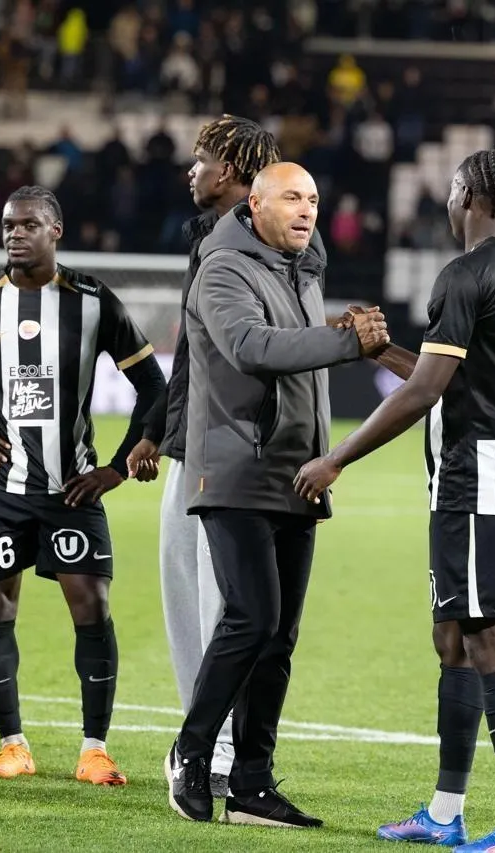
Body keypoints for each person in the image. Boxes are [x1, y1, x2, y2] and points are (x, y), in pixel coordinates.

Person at [295, 150, 495, 853]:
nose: (445, 204)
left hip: (479, 477)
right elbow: (451, 378)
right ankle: (445, 811)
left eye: (449, 191)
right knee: (454, 639)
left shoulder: (464, 274)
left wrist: (336, 458)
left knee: (489, 638)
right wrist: (380, 352)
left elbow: (425, 393)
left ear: (468, 194)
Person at [0, 186, 166, 785]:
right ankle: (12, 746)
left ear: (56, 231)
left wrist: (117, 467)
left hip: (72, 488)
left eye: (28, 225)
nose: (15, 234)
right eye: (7, 226)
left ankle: (94, 750)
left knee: (91, 606)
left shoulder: (94, 302)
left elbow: (154, 385)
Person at [164, 162, 389, 828]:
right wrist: (344, 340)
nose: (307, 209)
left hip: (296, 471)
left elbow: (295, 341)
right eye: (292, 197)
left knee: (280, 637)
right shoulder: (223, 268)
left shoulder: (298, 272)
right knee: (251, 617)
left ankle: (252, 784)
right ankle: (191, 750)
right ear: (254, 204)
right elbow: (250, 346)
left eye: (314, 198)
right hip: (236, 468)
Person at [125, 114, 283, 799]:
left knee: (226, 600)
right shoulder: (208, 239)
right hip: (193, 440)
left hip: (237, 445)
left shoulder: (270, 243)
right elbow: (191, 352)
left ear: (230, 171)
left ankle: (218, 747)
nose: (191, 171)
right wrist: (156, 429)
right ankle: (202, 736)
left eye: (201, 161)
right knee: (184, 590)